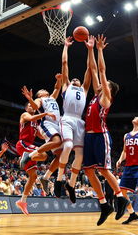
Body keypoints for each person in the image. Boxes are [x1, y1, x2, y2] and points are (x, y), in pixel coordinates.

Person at [82, 34, 128, 226]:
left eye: (105, 83)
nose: (101, 83)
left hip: (101, 137)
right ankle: (104, 204)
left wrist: (100, 50)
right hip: (89, 138)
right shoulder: (95, 95)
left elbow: (100, 70)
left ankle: (120, 197)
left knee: (103, 169)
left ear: (109, 88)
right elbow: (92, 69)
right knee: (88, 171)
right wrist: (90, 49)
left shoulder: (105, 98)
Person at [54, 36, 91, 203]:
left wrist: (90, 49)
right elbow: (64, 65)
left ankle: (72, 184)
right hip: (67, 118)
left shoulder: (84, 88)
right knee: (67, 145)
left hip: (80, 122)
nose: (75, 79)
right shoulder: (66, 86)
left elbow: (90, 70)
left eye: (77, 78)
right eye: (73, 78)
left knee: (80, 155)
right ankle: (59, 179)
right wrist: (66, 47)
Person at [20, 74, 63, 194]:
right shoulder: (40, 100)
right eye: (42, 90)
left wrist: (59, 80)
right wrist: (30, 98)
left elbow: (57, 88)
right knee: (57, 142)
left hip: (56, 125)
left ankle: (45, 177)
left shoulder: (52, 98)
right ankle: (28, 156)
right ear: (39, 95)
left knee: (60, 156)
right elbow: (35, 106)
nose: (44, 90)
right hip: (47, 124)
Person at [15, 102, 55, 215]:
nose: (31, 106)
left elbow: (41, 135)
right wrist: (45, 113)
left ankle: (22, 201)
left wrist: (53, 137)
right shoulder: (25, 115)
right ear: (25, 108)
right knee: (44, 155)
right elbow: (32, 117)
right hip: (23, 144)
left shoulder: (35, 122)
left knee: (33, 176)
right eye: (28, 105)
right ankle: (27, 156)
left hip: (29, 148)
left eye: (32, 105)